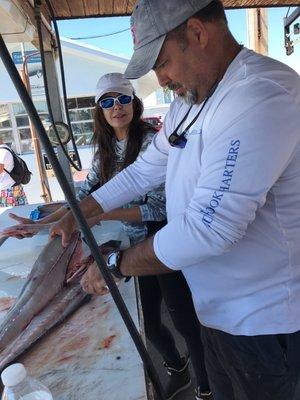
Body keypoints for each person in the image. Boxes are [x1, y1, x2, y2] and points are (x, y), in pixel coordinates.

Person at [46, 1, 300, 399]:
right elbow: (146, 169)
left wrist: (116, 264)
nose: (161, 79)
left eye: (162, 62)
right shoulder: (192, 99)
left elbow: (208, 228)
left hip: (264, 323)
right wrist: (80, 213)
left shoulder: (259, 95)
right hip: (217, 312)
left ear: (197, 33)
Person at [4, 73, 211, 400]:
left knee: (183, 319)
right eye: (108, 101)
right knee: (149, 323)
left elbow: (158, 208)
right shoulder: (103, 150)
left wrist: (100, 214)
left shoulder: (151, 142)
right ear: (99, 109)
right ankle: (177, 367)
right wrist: (44, 225)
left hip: (161, 241)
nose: (117, 107)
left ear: (134, 102)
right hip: (131, 244)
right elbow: (83, 196)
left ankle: (205, 387)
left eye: (123, 99)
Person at [0, 139, 28, 207]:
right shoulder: (6, 149)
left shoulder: (2, 151)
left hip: (7, 190)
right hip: (13, 187)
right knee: (21, 212)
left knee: (7, 215)